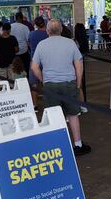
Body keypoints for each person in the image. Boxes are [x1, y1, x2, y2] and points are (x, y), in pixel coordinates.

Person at [31, 19, 90, 156]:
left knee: (54, 116)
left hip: (50, 85)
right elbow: (79, 65)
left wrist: (43, 80)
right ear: (62, 30)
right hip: (69, 83)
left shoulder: (41, 45)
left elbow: (34, 67)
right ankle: (78, 144)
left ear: (47, 31)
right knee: (73, 115)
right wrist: (78, 83)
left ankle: (57, 146)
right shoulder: (70, 43)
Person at [28, 17, 49, 105]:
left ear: (35, 24)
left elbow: (28, 44)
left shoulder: (31, 34)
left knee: (34, 84)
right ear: (44, 23)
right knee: (47, 83)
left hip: (34, 61)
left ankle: (35, 105)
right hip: (47, 61)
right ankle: (49, 104)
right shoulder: (48, 34)